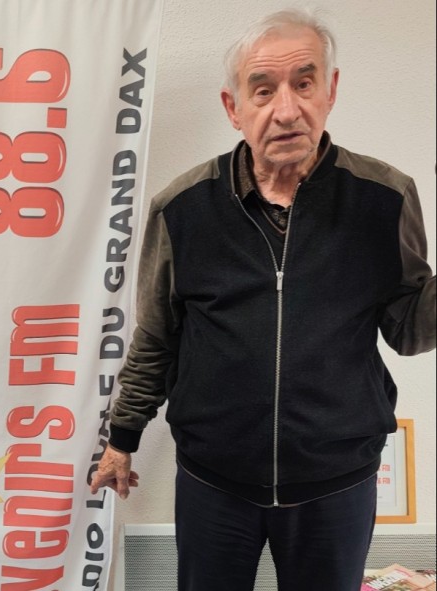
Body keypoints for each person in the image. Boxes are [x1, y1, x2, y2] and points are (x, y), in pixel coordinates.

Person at [91, 8, 435, 591]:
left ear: (330, 91)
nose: (286, 109)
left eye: (304, 83)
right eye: (264, 89)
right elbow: (156, 335)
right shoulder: (183, 208)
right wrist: (122, 439)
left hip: (337, 481)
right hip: (213, 482)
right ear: (234, 108)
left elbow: (409, 329)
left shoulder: (385, 198)